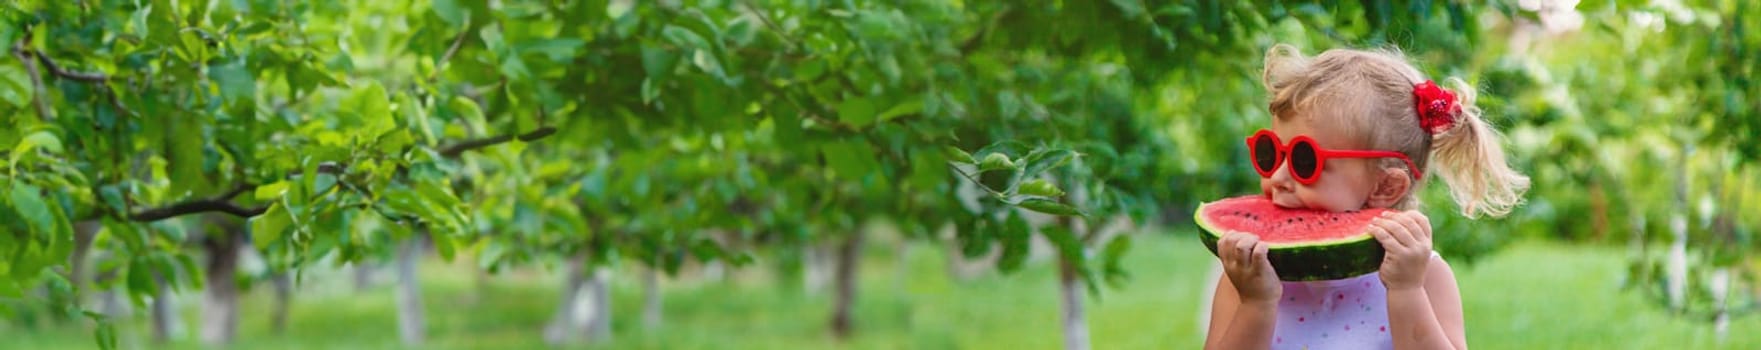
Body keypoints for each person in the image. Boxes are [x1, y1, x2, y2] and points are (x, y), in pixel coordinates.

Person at [1203, 44, 1531, 350]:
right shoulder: (1246, 275)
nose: (1278, 178)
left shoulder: (1427, 276)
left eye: (1305, 161)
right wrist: (1256, 304)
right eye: (1270, 152)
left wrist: (1407, 291)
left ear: (1384, 187)